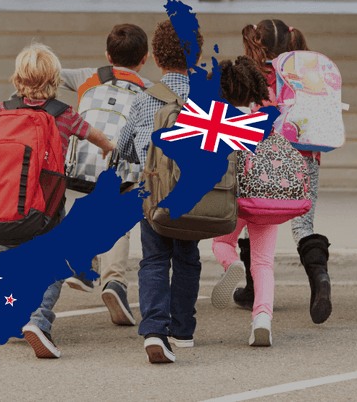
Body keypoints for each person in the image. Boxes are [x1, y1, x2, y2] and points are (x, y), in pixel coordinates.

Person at [0, 43, 115, 358]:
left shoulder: (2, 110)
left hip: (4, 208)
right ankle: (39, 321)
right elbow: (94, 134)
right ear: (54, 79)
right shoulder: (62, 114)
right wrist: (108, 146)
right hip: (45, 210)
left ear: (17, 78)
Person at [118, 20, 204, 363]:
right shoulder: (206, 98)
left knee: (153, 259)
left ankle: (154, 330)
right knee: (187, 258)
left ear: (155, 55)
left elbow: (124, 147)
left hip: (152, 192)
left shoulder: (143, 100)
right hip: (193, 194)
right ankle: (182, 331)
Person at [236, 19, 332, 325]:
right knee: (303, 225)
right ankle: (319, 278)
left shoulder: (250, 75)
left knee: (256, 218)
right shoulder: (305, 75)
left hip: (263, 157)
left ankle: (253, 288)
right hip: (304, 157)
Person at [58, 23, 153, 326]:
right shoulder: (149, 89)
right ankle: (114, 283)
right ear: (145, 58)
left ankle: (84, 267)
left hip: (85, 160)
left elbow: (52, 72)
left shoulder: (88, 77)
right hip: (122, 163)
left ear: (107, 55)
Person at [209, 57, 281, 346]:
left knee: (222, 243)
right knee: (263, 262)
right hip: (265, 200)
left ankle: (231, 265)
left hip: (230, 198)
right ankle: (262, 320)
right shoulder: (265, 121)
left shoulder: (216, 120)